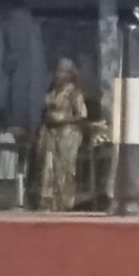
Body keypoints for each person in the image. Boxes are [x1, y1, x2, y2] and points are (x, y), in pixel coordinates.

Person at [35, 59, 90, 211]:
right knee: (47, 167)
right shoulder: (52, 91)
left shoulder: (73, 92)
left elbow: (82, 115)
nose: (58, 74)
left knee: (64, 168)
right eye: (57, 71)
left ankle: (64, 202)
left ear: (69, 74)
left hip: (67, 135)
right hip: (50, 133)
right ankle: (47, 201)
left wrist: (63, 118)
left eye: (62, 71)